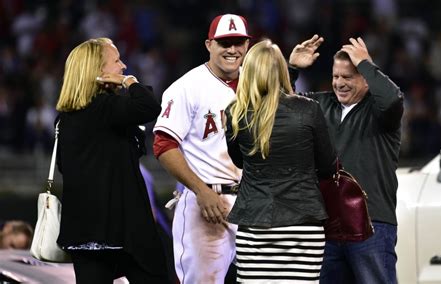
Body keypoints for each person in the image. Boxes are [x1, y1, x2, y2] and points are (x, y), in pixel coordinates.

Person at [289, 36, 404, 284]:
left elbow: (393, 98)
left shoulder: (380, 112)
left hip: (372, 224)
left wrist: (366, 63)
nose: (339, 84)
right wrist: (292, 69)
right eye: (335, 77)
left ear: (365, 78)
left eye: (347, 77)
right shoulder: (320, 105)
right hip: (328, 227)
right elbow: (279, 107)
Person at [55, 37, 170, 284]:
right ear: (98, 72)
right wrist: (130, 83)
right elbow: (149, 106)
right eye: (117, 61)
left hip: (84, 232)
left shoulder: (64, 120)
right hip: (125, 229)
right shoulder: (107, 108)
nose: (124, 66)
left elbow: (65, 168)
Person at [224, 39, 337, 283]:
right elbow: (328, 166)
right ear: (282, 71)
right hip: (303, 226)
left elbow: (239, 161)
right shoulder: (309, 110)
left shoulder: (235, 113)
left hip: (255, 224)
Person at [152, 14, 250, 284]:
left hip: (253, 202)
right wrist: (199, 189)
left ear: (247, 46)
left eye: (238, 42)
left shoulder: (256, 84)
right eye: (224, 43)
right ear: (209, 45)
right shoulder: (187, 87)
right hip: (206, 202)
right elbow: (164, 144)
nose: (232, 50)